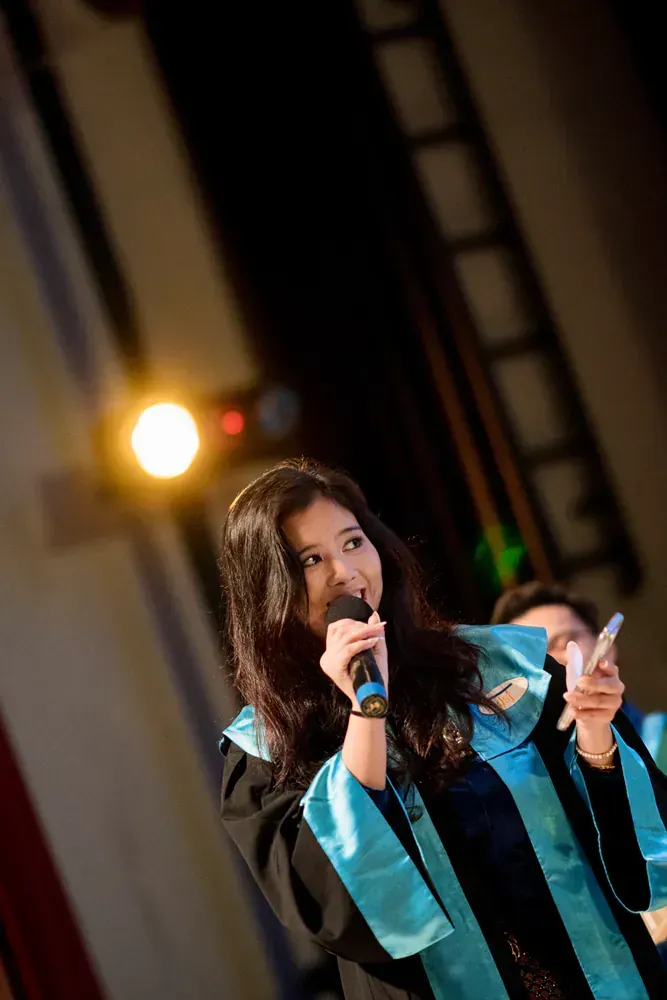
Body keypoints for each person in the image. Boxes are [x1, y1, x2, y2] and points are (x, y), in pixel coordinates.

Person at [219, 459, 667, 1000]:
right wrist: (368, 708)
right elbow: (344, 905)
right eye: (311, 559)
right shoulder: (266, 750)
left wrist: (597, 734)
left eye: (353, 542)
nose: (345, 572)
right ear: (267, 588)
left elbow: (633, 848)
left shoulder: (501, 667)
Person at [489, 582, 667, 770]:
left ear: (606, 649)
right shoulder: (527, 780)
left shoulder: (660, 739)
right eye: (535, 657)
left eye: (566, 642)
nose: (555, 661)